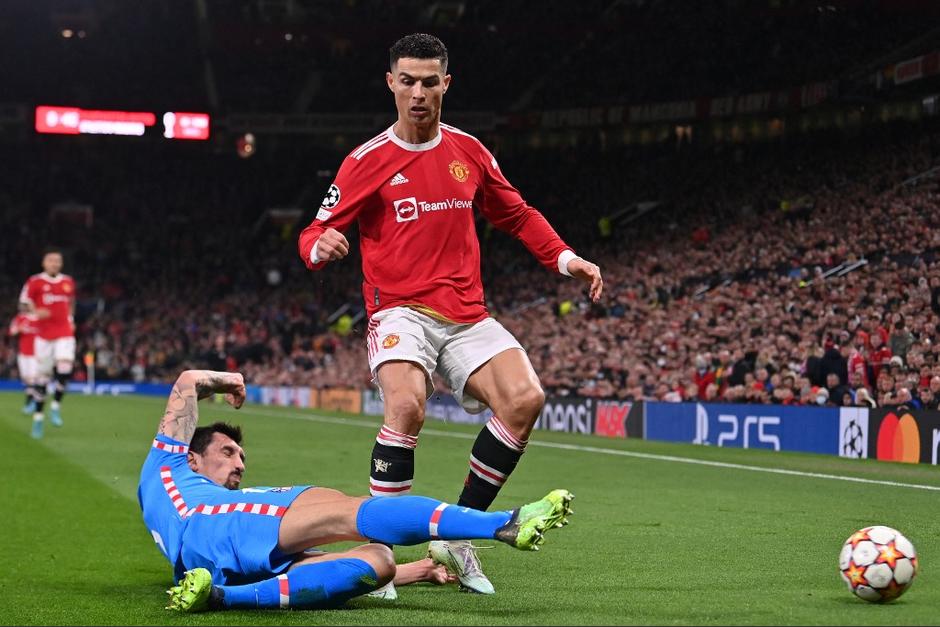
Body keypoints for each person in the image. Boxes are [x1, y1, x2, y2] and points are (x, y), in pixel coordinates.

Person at [297, 32, 602, 596]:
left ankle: (457, 537)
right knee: (406, 406)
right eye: (407, 81)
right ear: (390, 83)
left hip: (465, 313)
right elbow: (315, 230)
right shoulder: (366, 160)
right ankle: (378, 557)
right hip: (398, 311)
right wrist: (320, 247)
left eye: (429, 82)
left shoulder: (469, 150)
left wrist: (565, 258)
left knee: (525, 399)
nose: (418, 93)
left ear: (446, 84)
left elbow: (517, 214)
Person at [140, 369, 574, 612]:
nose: (238, 463)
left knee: (379, 561)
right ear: (191, 457)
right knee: (344, 510)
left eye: (241, 456)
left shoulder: (228, 512)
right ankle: (501, 523)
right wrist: (230, 380)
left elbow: (311, 566)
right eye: (227, 451)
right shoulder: (169, 465)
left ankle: (221, 598)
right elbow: (188, 381)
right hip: (209, 525)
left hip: (212, 567)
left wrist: (419, 571)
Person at [18, 249, 76, 438]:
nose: (54, 263)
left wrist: (71, 319)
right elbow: (23, 303)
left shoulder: (68, 282)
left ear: (61, 263)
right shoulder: (35, 281)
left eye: (57, 260)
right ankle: (38, 419)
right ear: (44, 263)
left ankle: (56, 406)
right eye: (51, 260)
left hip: (64, 332)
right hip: (43, 336)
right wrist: (35, 311)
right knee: (42, 380)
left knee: (65, 367)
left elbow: (71, 302)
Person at [7, 312, 40, 417]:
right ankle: (32, 400)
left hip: (36, 354)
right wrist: (18, 329)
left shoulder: (40, 318)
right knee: (26, 379)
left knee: (32, 378)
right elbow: (11, 331)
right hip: (23, 353)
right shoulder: (20, 317)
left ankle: (30, 402)